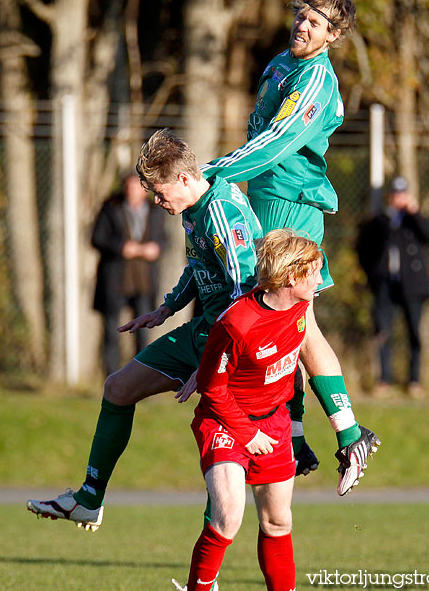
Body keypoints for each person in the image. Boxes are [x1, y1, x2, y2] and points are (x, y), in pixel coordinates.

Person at [27, 129, 261, 532]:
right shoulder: (194, 207)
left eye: (158, 190)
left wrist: (210, 366)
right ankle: (89, 499)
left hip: (232, 345)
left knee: (224, 472)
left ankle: (206, 575)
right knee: (117, 388)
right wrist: (167, 308)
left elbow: (245, 293)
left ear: (184, 179)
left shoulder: (222, 210)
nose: (156, 199)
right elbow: (201, 265)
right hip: (203, 330)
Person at [201, 0, 370, 476]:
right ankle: (296, 436)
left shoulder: (317, 81)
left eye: (316, 23)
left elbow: (277, 142)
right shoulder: (280, 63)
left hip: (292, 207)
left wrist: (218, 171)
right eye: (302, 16)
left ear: (333, 36)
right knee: (280, 326)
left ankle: (351, 435)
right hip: (267, 201)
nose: (304, 26)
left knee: (299, 322)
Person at [173, 230, 380, 591]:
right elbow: (212, 388)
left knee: (277, 522)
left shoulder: (300, 308)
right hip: (224, 422)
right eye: (315, 272)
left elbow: (300, 368)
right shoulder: (236, 324)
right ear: (291, 277)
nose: (320, 279)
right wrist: (246, 433)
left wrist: (298, 430)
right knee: (227, 517)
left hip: (274, 423)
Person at [356, 176, 429, 396]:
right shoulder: (380, 222)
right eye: (395, 194)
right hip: (385, 285)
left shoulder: (414, 220)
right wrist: (372, 275)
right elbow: (363, 249)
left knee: (414, 332)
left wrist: (414, 213)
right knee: (383, 331)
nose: (398, 198)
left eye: (402, 194)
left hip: (412, 286)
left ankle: (414, 380)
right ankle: (384, 380)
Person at [91, 171, 166, 375]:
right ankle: (111, 376)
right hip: (115, 280)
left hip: (144, 282)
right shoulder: (111, 208)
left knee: (142, 333)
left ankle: (139, 376)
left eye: (137, 186)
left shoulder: (155, 210)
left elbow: (163, 239)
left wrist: (156, 248)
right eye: (129, 186)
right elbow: (97, 238)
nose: (132, 191)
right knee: (111, 332)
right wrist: (121, 248)